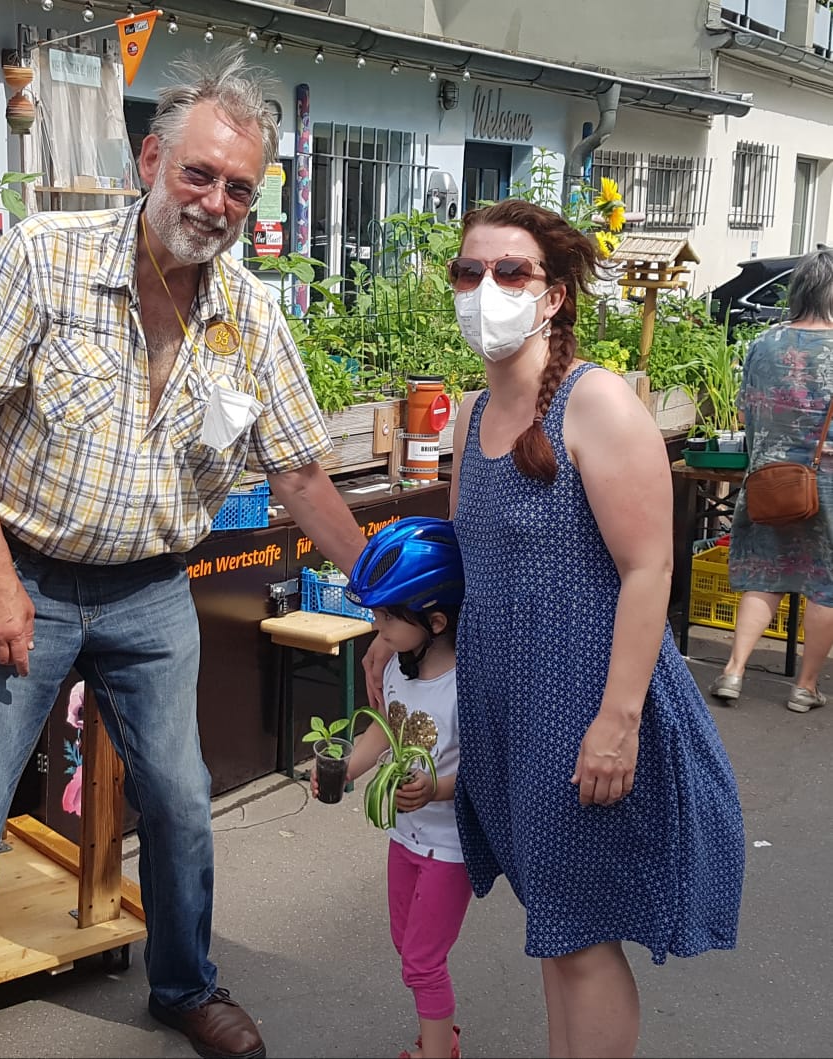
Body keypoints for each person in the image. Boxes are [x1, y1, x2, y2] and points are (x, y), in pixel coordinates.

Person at [0, 45, 368, 1059]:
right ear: (150, 160)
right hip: (25, 578)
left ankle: (183, 985)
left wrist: (391, 587)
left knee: (179, 806)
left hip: (151, 593)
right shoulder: (42, 258)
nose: (216, 203)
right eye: (199, 174)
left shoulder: (251, 316)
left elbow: (302, 474)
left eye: (238, 188)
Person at [365, 198, 744, 1059]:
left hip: (585, 703)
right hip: (510, 709)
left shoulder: (595, 400)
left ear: (554, 294)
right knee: (557, 922)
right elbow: (469, 564)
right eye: (468, 271)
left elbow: (649, 569)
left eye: (510, 271)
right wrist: (398, 634)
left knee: (578, 934)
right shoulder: (471, 412)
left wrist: (617, 721)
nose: (484, 288)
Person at [313, 518, 469, 1059]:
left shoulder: (465, 686)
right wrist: (349, 767)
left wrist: (436, 789)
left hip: (448, 848)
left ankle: (437, 1052)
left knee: (423, 961)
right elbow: (385, 727)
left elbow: (484, 775)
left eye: (386, 618)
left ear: (435, 621)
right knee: (407, 947)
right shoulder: (402, 667)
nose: (376, 628)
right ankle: (443, 1034)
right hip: (404, 836)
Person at [708, 247, 833, 713]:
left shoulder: (764, 343)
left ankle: (734, 670)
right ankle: (805, 686)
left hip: (768, 479)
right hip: (827, 484)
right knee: (825, 585)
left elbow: (746, 413)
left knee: (766, 575)